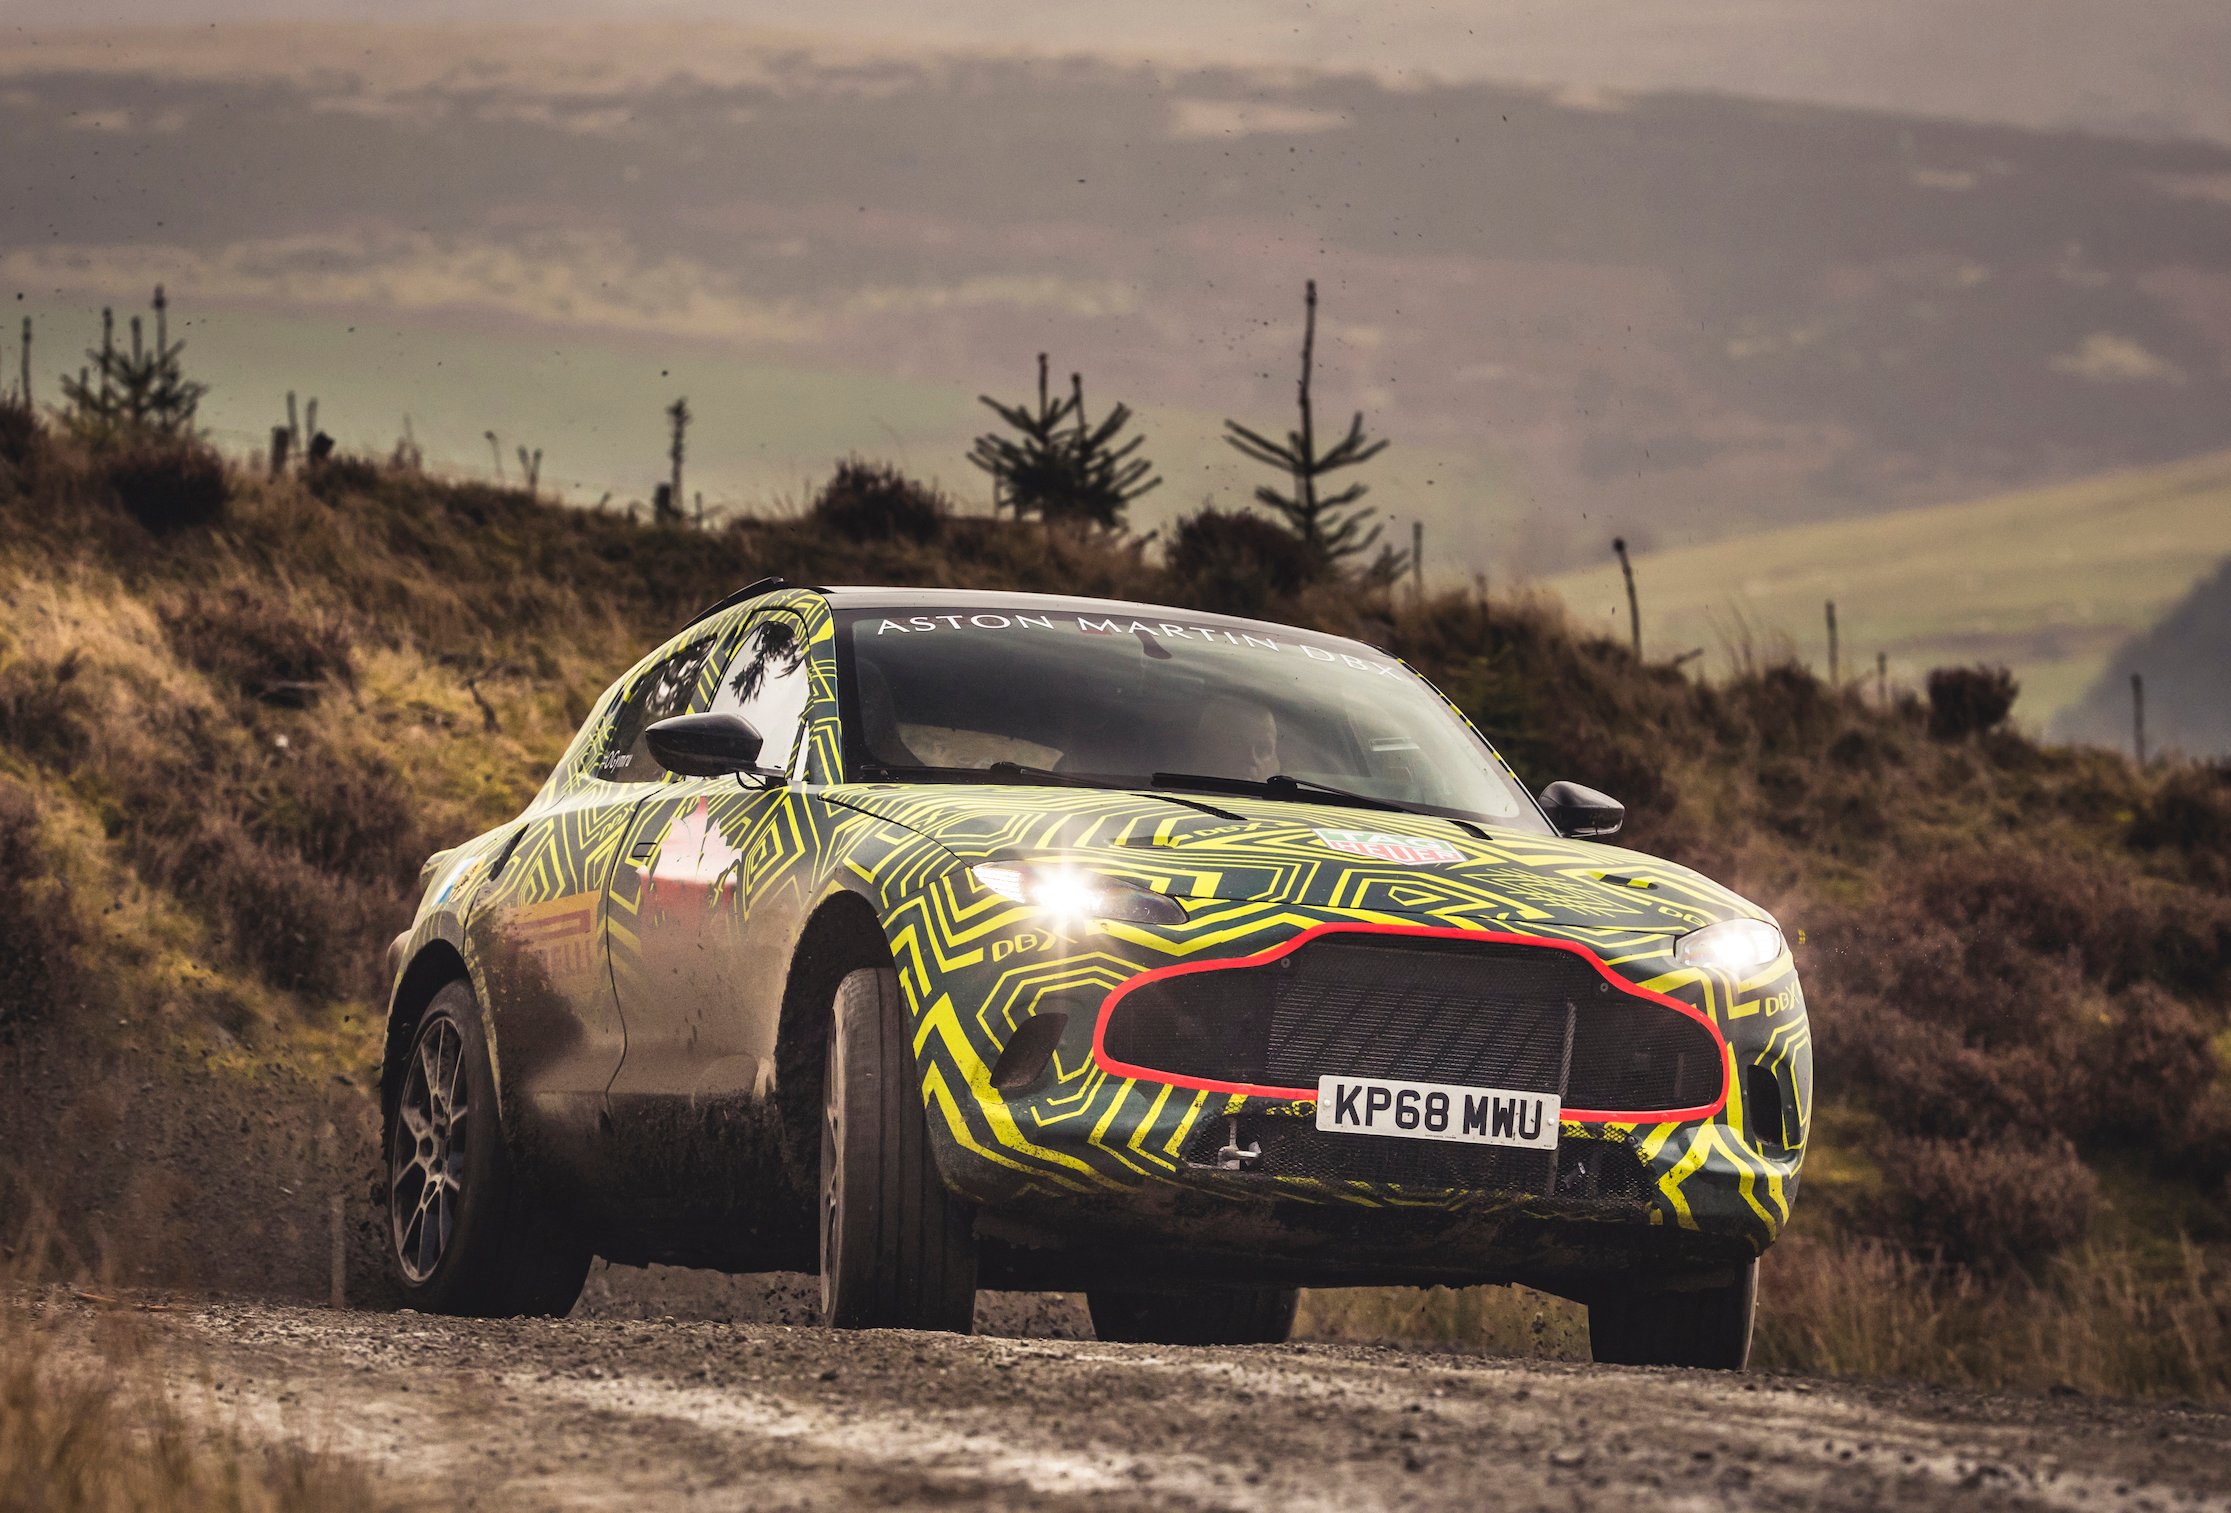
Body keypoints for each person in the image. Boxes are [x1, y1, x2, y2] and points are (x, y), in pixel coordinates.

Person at [1194, 695, 1280, 781]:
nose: (1251, 757)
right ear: (1203, 747)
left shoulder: (1288, 793)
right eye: (1236, 744)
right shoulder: (1182, 790)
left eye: (1263, 749)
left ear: (1276, 764)